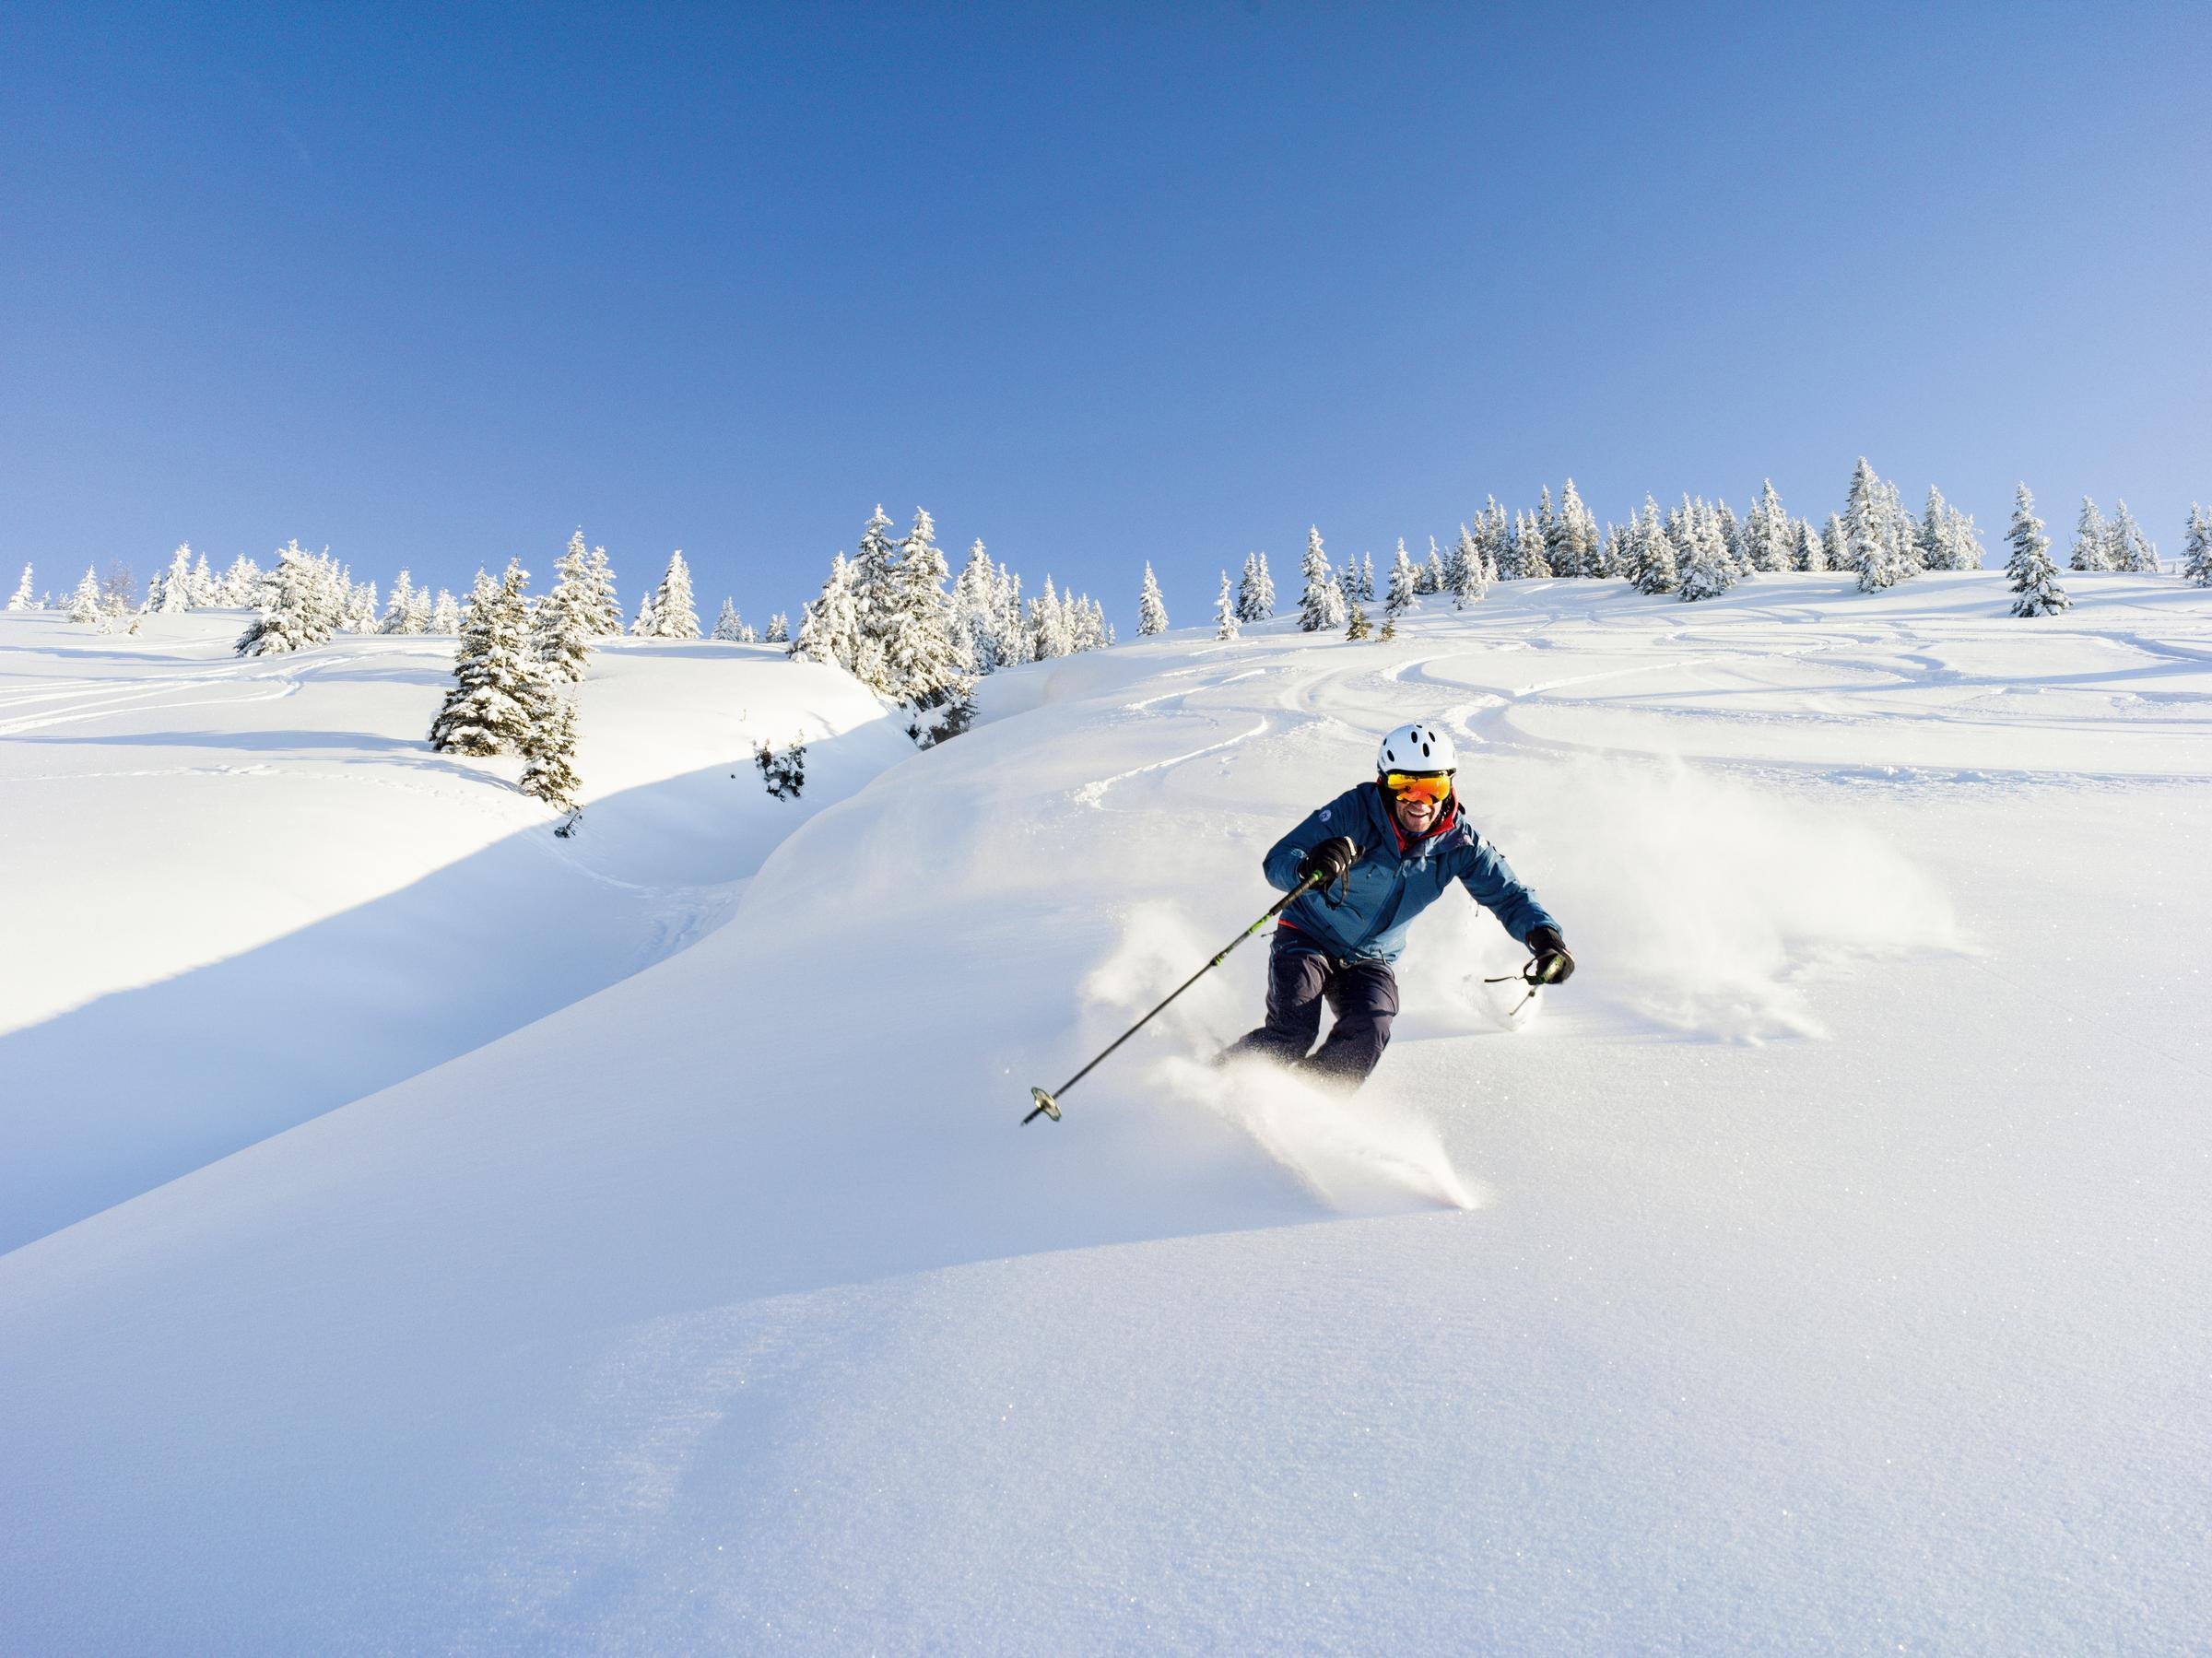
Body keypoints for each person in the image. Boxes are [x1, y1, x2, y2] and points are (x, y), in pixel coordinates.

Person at [1223, 721, 1572, 1087]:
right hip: (1309, 935)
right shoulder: (1353, 812)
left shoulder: (1460, 844)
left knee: (1370, 1028)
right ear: (1384, 784)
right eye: (1404, 787)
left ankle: (1307, 1099)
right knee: (1291, 1034)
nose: (1420, 802)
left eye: (1433, 787)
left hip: (1373, 957)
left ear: (1450, 785)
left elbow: (1510, 895)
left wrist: (1545, 937)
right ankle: (1220, 1078)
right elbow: (1278, 859)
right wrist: (1310, 865)